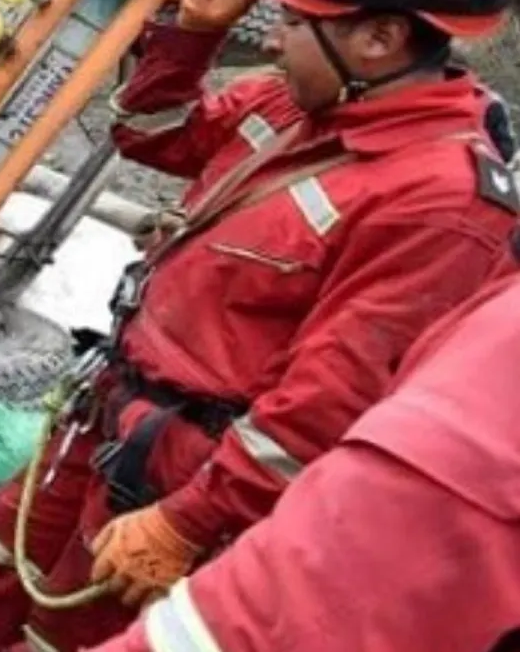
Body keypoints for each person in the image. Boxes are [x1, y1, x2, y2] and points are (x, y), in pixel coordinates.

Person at [0, 0, 520, 652]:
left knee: (70, 623)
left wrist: (186, 520)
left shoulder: (441, 203)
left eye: (292, 22)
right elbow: (151, 135)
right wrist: (195, 32)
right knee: (5, 554)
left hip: (181, 462)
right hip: (114, 403)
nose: (277, 41)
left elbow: (319, 411)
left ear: (380, 37)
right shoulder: (301, 107)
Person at [88, 268, 520, 652]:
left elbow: (329, 403)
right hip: (132, 424)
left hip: (187, 467)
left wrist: (189, 519)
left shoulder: (445, 217)